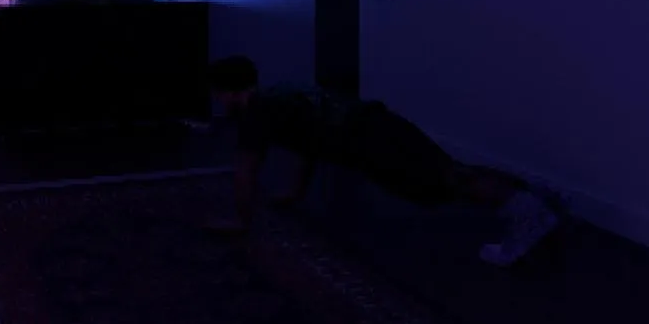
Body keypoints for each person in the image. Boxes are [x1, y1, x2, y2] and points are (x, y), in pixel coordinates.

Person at [205, 55, 565, 267]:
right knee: (450, 171)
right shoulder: (281, 92)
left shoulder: (256, 116)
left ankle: (528, 213)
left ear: (227, 92)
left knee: (447, 181)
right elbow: (307, 145)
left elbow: (245, 173)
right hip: (379, 122)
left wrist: (241, 221)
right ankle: (532, 196)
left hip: (369, 143)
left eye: (218, 94)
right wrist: (295, 193)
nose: (218, 101)